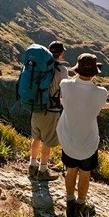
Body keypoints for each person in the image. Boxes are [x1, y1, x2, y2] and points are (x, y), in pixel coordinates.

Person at [57, 53, 108, 217]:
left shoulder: (66, 85)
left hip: (69, 139)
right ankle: (80, 203)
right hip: (89, 142)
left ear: (77, 71)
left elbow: (65, 93)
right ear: (94, 73)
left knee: (71, 170)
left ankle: (70, 200)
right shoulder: (101, 93)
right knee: (85, 173)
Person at [28, 41, 69, 181]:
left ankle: (32, 165)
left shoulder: (39, 65)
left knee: (36, 137)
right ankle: (43, 170)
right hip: (51, 110)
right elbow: (64, 91)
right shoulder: (62, 70)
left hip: (36, 106)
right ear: (61, 53)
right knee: (47, 141)